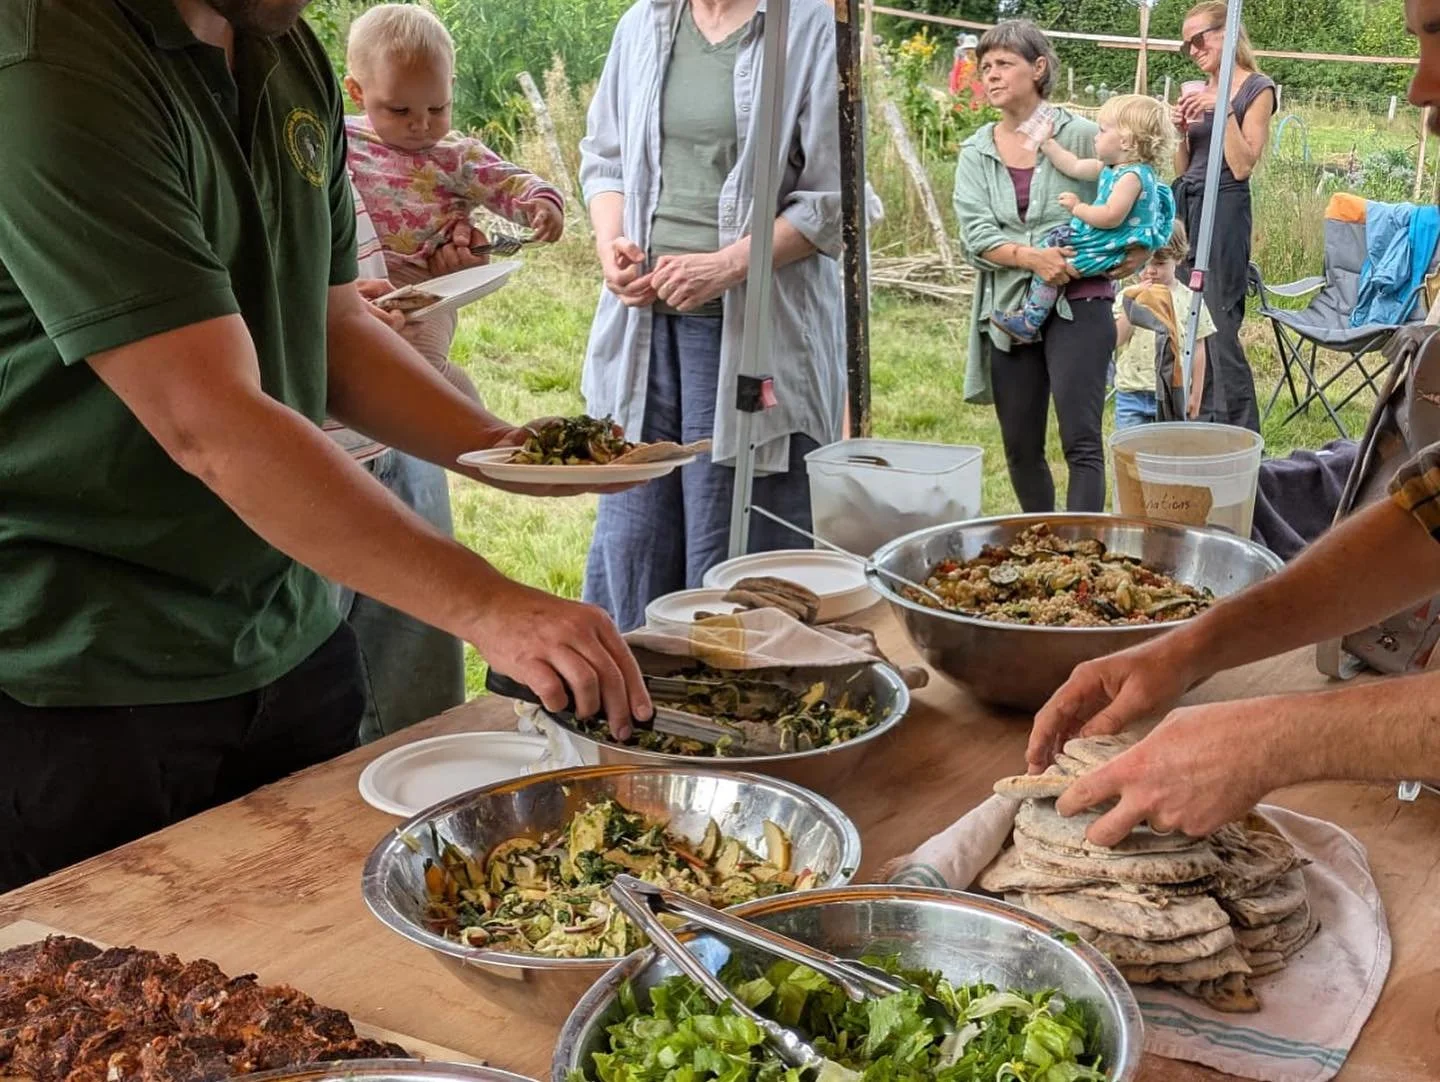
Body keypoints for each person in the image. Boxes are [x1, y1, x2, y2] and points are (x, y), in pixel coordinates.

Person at [0, 0, 649, 892]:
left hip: (288, 625)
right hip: (90, 670)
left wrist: (498, 447)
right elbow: (210, 421)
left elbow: (333, 325)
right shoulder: (47, 64)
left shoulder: (278, 40)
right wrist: (492, 608)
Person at [578, 0, 844, 632]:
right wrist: (611, 243)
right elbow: (605, 158)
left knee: (732, 531)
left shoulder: (808, 26)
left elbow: (834, 199)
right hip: (644, 324)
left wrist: (727, 265)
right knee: (635, 524)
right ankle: (634, 672)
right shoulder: (643, 23)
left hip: (752, 326)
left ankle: (736, 677)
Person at [953, 20, 1144, 515]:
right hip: (1008, 308)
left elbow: (1142, 193)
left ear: (1038, 68)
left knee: (1081, 442)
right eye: (985, 67)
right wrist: (1031, 257)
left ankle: (1083, 547)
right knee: (1020, 447)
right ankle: (1040, 541)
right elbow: (975, 235)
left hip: (1080, 302)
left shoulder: (1087, 137)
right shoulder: (976, 151)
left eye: (1004, 64)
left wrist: (1133, 254)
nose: (991, 75)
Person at [344, 3, 566, 401]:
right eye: (399, 109)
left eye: (437, 108)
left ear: (451, 87)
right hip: (354, 281)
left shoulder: (457, 156)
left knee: (424, 367)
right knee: (364, 378)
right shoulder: (340, 139)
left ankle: (485, 428)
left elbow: (508, 182)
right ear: (357, 92)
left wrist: (541, 203)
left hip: (426, 285)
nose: (421, 123)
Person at [991, 94, 1175, 344]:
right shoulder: (1112, 168)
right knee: (1053, 249)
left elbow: (1110, 216)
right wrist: (1047, 143)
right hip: (1103, 240)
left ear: (1126, 141)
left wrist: (1078, 208)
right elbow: (1074, 165)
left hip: (1106, 246)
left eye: (1102, 130)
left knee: (1056, 265)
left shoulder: (1132, 177)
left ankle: (1029, 321)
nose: (1095, 136)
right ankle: (1031, 317)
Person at [1172, 0, 1276, 433]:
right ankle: (1184, 419)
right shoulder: (1198, 88)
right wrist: (1180, 132)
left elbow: (1243, 164)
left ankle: (1236, 432)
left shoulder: (1258, 88)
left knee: (1217, 319)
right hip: (1188, 201)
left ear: (1228, 33)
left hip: (1226, 204)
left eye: (1199, 40)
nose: (1193, 50)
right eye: (1187, 46)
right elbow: (1184, 167)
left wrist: (1223, 108)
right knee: (1180, 312)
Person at [1112, 220, 1216, 428]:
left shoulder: (1190, 300)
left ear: (1177, 258)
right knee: (1130, 446)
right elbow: (1117, 339)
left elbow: (1198, 348)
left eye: (1159, 264)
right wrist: (1133, 305)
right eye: (1144, 264)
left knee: (1169, 445)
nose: (1150, 271)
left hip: (1172, 393)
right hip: (1131, 393)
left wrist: (1196, 395)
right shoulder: (1127, 296)